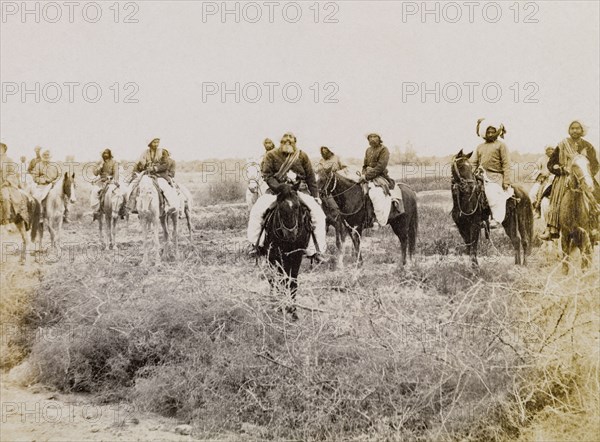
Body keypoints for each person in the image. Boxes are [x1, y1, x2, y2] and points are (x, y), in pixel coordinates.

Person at [247, 132, 327, 263]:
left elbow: (311, 178)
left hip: (298, 191)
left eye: (290, 142)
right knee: (257, 211)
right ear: (281, 143)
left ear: (295, 142)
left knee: (319, 215)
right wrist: (279, 187)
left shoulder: (302, 156)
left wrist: (315, 196)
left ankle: (316, 250)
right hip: (276, 191)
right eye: (285, 142)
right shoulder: (271, 155)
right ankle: (257, 245)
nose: (287, 144)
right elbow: (267, 175)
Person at [540, 121, 599, 241]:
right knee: (553, 199)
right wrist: (561, 170)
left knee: (596, 196)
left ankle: (595, 228)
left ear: (582, 130)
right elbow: (551, 164)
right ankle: (552, 228)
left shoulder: (588, 146)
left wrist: (586, 174)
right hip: (564, 177)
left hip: (583, 177)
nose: (575, 131)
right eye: (572, 128)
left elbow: (595, 165)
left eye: (578, 128)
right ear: (569, 130)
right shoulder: (562, 145)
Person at [471, 119, 513, 229]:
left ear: (496, 133)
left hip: (496, 176)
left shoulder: (501, 145)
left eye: (492, 132)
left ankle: (496, 219)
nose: (490, 134)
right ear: (484, 133)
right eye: (488, 132)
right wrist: (472, 174)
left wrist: (506, 181)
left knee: (491, 192)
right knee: (468, 191)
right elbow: (474, 163)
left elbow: (507, 164)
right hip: (480, 175)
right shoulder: (480, 147)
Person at [127, 138, 179, 214]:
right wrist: (142, 167)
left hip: (160, 175)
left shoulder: (163, 152)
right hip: (147, 174)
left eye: (157, 142)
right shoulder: (144, 153)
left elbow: (165, 164)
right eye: (154, 142)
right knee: (134, 185)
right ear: (150, 143)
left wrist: (155, 168)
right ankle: (131, 206)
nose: (156, 144)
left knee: (164, 185)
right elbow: (139, 164)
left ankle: (171, 205)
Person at [360, 133, 400, 227]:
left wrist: (367, 176)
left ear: (379, 138)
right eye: (370, 137)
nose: (372, 139)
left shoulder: (384, 150)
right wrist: (363, 174)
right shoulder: (368, 150)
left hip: (380, 177)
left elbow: (381, 167)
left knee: (375, 194)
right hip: (367, 176)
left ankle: (378, 220)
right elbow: (365, 165)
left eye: (375, 137)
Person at [0, 143, 28, 225]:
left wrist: (7, 181)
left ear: (4, 149)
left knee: (5, 198)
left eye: (0, 148)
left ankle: (6, 219)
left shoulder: (9, 160)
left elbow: (12, 173)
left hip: (4, 184)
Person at [90, 149, 120, 221]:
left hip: (111, 181)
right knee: (94, 191)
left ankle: (121, 210)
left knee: (119, 193)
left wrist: (115, 180)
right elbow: (95, 173)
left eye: (107, 153)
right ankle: (96, 211)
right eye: (104, 153)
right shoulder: (99, 162)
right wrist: (100, 166)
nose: (105, 155)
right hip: (101, 181)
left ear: (110, 154)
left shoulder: (114, 162)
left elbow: (116, 173)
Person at [30, 150, 61, 217]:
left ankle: (63, 212)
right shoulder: (38, 165)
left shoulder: (55, 165)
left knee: (65, 195)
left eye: (47, 155)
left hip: (54, 185)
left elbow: (59, 175)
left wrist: (55, 181)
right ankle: (40, 213)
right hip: (42, 186)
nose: (46, 156)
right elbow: (35, 176)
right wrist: (42, 181)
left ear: (50, 156)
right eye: (45, 155)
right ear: (42, 156)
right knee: (37, 197)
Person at [531, 145, 555, 218]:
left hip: (552, 181)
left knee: (544, 194)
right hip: (542, 180)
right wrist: (541, 173)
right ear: (545, 151)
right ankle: (537, 209)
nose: (550, 151)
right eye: (548, 149)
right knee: (532, 194)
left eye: (552, 149)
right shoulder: (541, 159)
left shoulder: (556, 159)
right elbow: (535, 169)